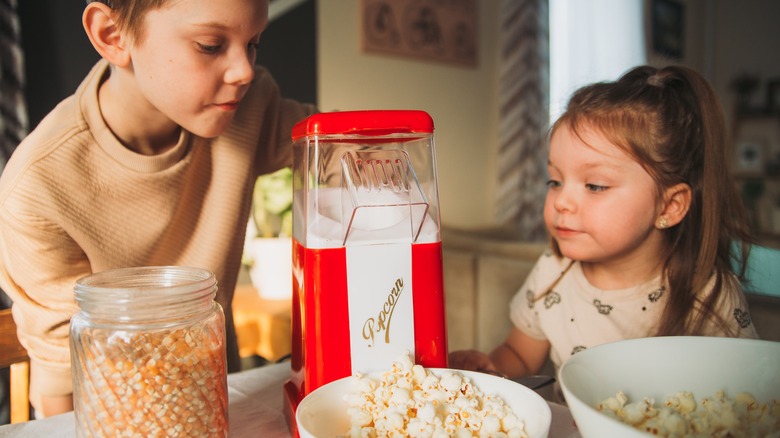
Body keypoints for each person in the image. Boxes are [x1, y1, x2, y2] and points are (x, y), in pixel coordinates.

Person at [0, 0, 316, 417]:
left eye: (253, 43)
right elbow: (61, 380)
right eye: (209, 45)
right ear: (112, 36)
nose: (243, 70)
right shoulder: (38, 186)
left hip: (219, 408)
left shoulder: (251, 106)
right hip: (115, 420)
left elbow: (338, 146)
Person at [449, 65, 759, 398]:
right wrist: (489, 368)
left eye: (595, 185)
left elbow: (748, 396)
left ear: (669, 207)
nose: (562, 201)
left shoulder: (708, 292)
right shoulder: (553, 270)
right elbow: (520, 353)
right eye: (554, 181)